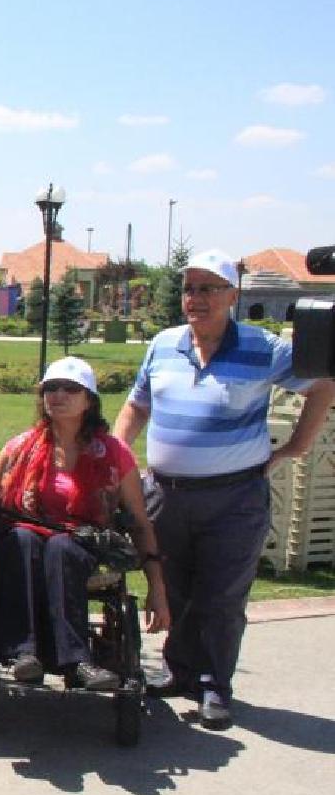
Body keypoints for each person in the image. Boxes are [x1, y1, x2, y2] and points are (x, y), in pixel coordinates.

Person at [113, 249, 334, 730]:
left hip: (234, 499)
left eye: (209, 289)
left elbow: (321, 385)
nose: (196, 298)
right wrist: (116, 456)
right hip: (166, 495)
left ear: (233, 296)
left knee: (222, 596)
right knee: (175, 588)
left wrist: (296, 446)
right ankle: (179, 672)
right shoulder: (164, 344)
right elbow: (137, 405)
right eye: (189, 288)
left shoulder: (262, 347)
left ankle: (214, 685)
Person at [0, 357, 169, 688]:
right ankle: (22, 653)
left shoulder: (114, 454)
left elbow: (140, 523)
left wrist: (157, 588)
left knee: (61, 547)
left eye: (71, 389)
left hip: (83, 544)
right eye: (51, 388)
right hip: (23, 539)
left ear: (89, 401)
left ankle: (76, 661)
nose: (58, 395)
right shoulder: (21, 446)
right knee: (23, 540)